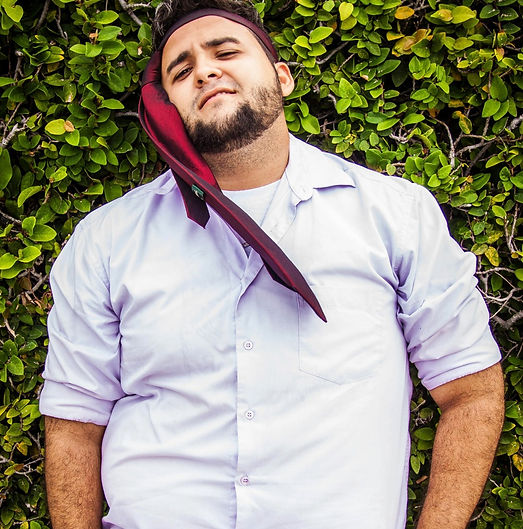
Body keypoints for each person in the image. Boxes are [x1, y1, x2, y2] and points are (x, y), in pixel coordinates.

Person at [39, 1, 505, 528]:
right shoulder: (107, 240)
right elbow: (74, 424)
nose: (205, 71)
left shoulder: (395, 216)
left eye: (225, 52)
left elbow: (471, 390)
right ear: (169, 109)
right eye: (181, 71)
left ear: (283, 77)